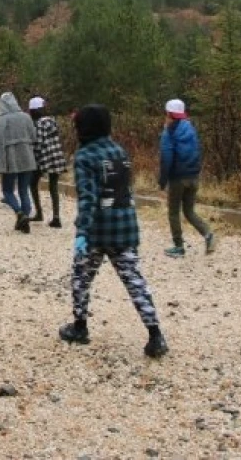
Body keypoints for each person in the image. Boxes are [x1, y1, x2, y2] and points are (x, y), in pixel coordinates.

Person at [58, 104, 168, 359]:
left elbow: (88, 198)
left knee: (81, 279)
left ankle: (80, 327)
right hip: (124, 228)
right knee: (135, 281)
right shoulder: (120, 151)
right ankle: (155, 335)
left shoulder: (84, 156)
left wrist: (82, 233)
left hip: (96, 231)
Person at [158, 98, 215, 258]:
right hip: (194, 176)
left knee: (173, 212)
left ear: (169, 114)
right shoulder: (190, 128)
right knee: (189, 211)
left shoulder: (168, 132)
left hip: (178, 179)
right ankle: (208, 234)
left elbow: (166, 159)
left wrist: (162, 181)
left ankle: (178, 247)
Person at [0, 92, 38, 233]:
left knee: (7, 190)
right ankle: (24, 219)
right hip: (27, 157)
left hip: (10, 160)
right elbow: (34, 137)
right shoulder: (26, 117)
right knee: (24, 190)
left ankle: (19, 213)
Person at [27, 96, 67, 228]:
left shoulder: (38, 124)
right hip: (56, 156)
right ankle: (56, 217)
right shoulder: (52, 121)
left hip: (43, 158)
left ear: (33, 111)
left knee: (32, 183)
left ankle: (39, 213)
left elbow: (38, 143)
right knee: (53, 186)